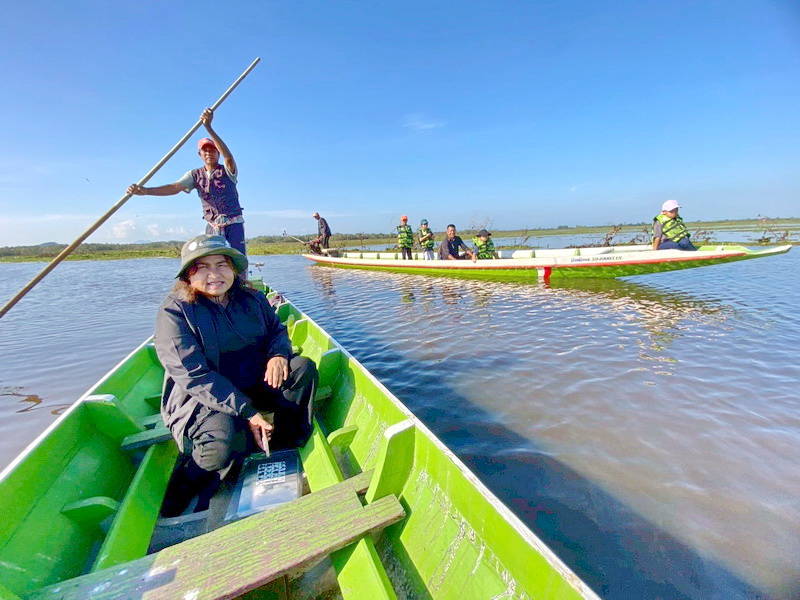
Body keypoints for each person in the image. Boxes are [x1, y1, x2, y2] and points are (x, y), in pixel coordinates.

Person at [154, 234, 317, 516]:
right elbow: (194, 376)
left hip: (252, 381)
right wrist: (247, 411)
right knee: (225, 441)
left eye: (221, 264)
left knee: (302, 369)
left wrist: (278, 354)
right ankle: (184, 490)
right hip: (203, 397)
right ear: (188, 275)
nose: (214, 274)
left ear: (233, 269)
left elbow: (276, 331)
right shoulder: (175, 311)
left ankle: (283, 447)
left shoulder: (252, 298)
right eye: (202, 267)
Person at [128, 108, 246, 256]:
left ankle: (239, 280)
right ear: (200, 154)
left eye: (212, 150)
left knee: (237, 261)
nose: (209, 153)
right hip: (212, 225)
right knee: (213, 260)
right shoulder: (194, 175)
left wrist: (208, 127)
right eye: (205, 151)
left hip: (233, 224)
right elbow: (174, 187)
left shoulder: (228, 171)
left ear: (218, 153)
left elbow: (228, 157)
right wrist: (146, 191)